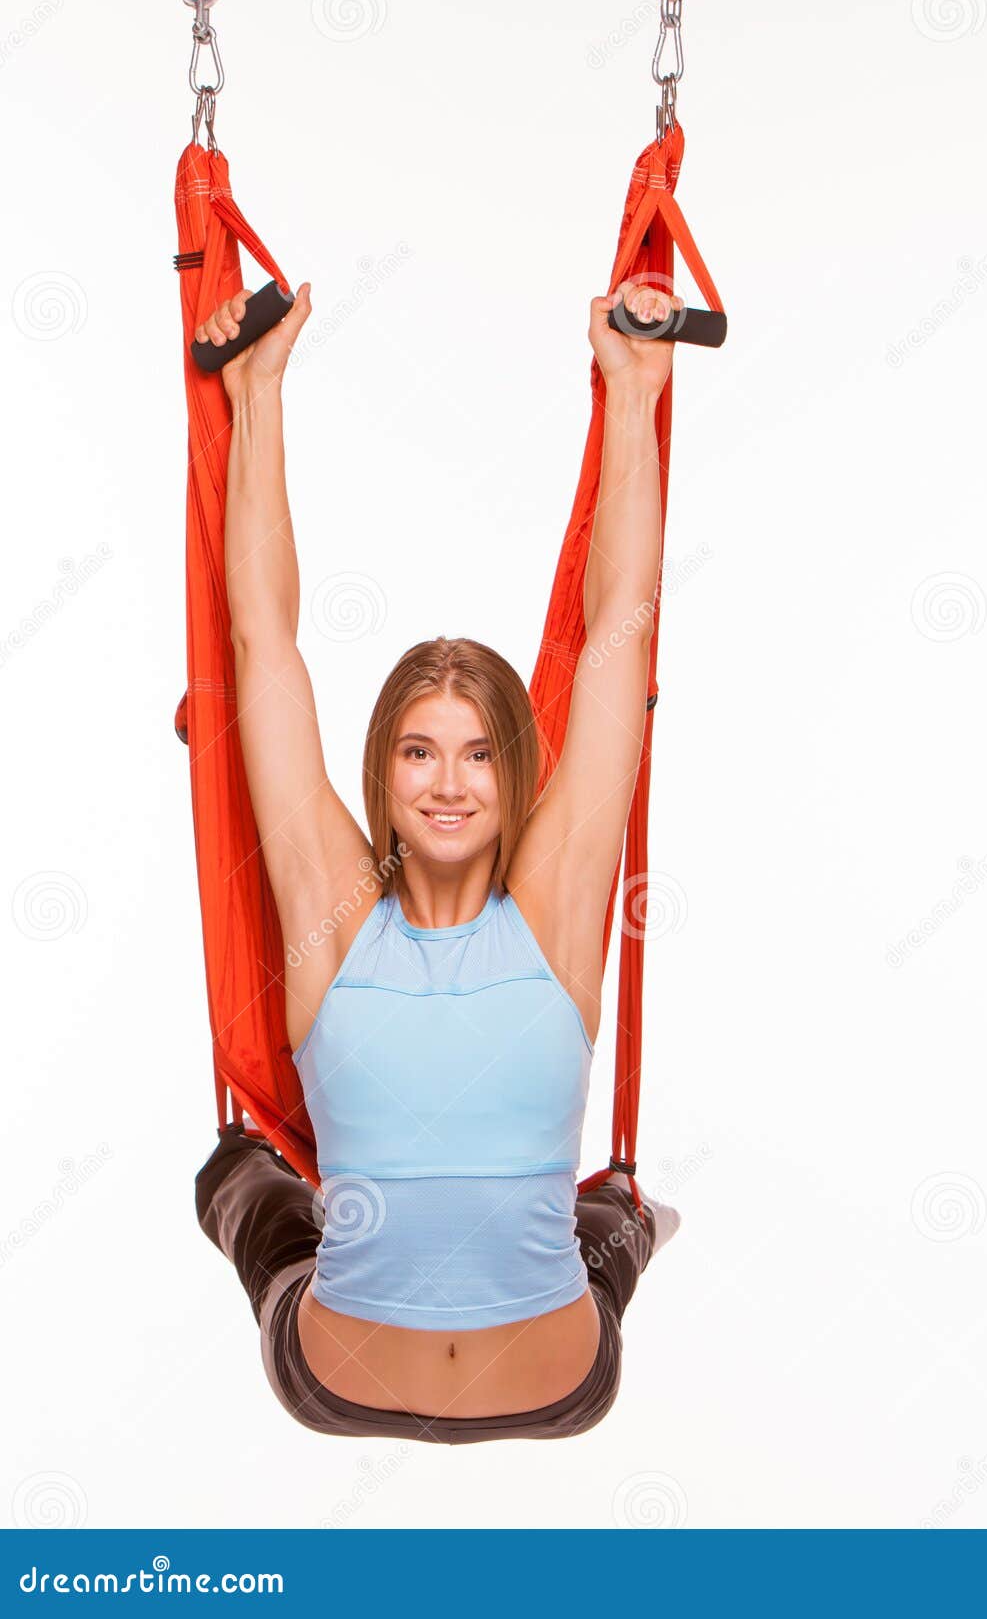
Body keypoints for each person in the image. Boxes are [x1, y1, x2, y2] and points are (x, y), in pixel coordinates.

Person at [192, 275, 683, 1443]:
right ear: (382, 770)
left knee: (257, 1190)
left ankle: (622, 1212)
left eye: (478, 754)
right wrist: (256, 395)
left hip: (555, 1383)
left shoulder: (553, 912)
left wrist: (634, 393)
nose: (449, 784)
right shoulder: (332, 913)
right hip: (340, 1378)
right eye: (419, 751)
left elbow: (622, 627)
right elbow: (262, 643)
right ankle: (621, 1214)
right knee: (244, 1179)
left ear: (517, 773)